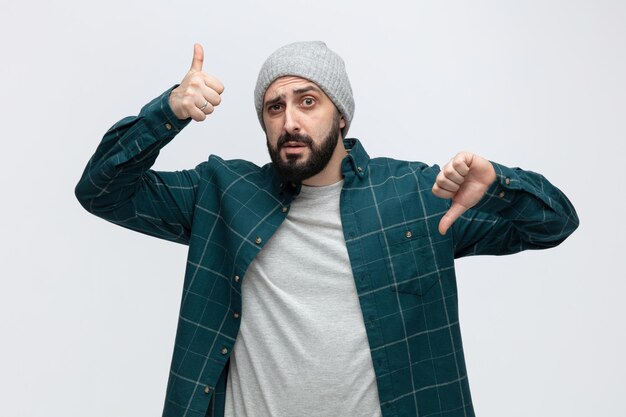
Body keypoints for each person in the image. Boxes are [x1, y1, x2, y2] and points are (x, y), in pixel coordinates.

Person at [75, 41, 579, 417]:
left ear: (341, 116)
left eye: (308, 101)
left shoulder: (414, 196)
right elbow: (101, 190)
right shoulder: (223, 193)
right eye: (275, 107)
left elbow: (555, 224)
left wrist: (500, 188)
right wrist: (166, 113)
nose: (290, 120)